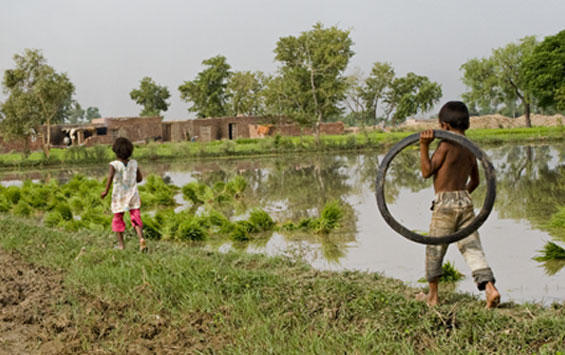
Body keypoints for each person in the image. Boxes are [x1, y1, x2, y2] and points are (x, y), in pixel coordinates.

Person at [418, 101, 500, 308]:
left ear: (444, 126)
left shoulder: (446, 145)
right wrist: (461, 196)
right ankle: (490, 288)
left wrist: (424, 146)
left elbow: (427, 172)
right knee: (472, 247)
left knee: (435, 249)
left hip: (444, 203)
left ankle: (433, 296)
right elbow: (476, 181)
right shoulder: (470, 148)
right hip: (465, 202)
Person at [101, 137, 147, 252]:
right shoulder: (134, 163)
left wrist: (105, 191)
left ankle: (121, 245)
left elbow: (110, 178)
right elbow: (140, 179)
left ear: (116, 151)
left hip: (119, 196)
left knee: (118, 218)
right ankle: (141, 239)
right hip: (133, 194)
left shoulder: (114, 164)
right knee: (135, 216)